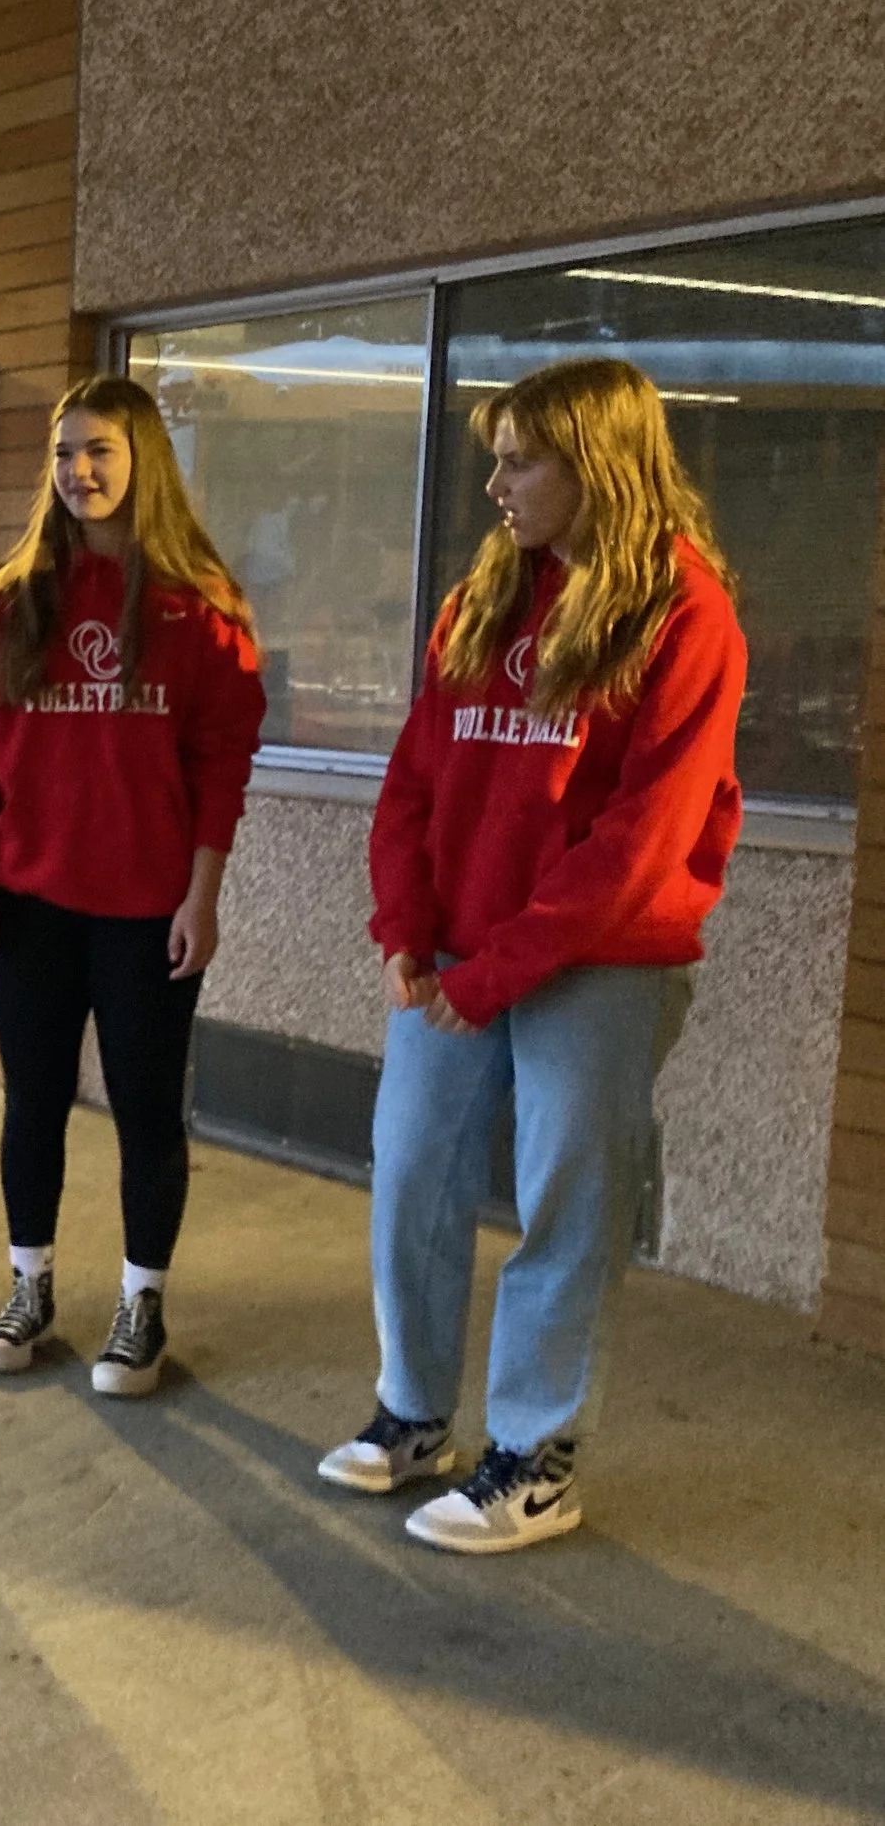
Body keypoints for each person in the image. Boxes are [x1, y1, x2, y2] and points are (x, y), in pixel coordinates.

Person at [317, 356, 746, 1555]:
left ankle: (538, 1458)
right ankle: (414, 1415)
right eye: (494, 459)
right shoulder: (481, 600)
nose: (496, 483)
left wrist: (494, 969)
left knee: (568, 1203)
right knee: (410, 1171)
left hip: (598, 963)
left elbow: (641, 840)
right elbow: (413, 778)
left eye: (520, 460)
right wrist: (405, 929)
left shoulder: (684, 613)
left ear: (594, 465)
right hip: (453, 954)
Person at [0, 376, 266, 1394]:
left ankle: (140, 1303)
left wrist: (200, 897)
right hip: (31, 906)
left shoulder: (197, 607)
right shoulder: (12, 603)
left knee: (144, 1111)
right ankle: (29, 1286)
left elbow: (220, 765)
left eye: (102, 453)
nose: (80, 473)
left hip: (147, 914)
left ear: (144, 462)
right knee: (31, 1103)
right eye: (67, 454)